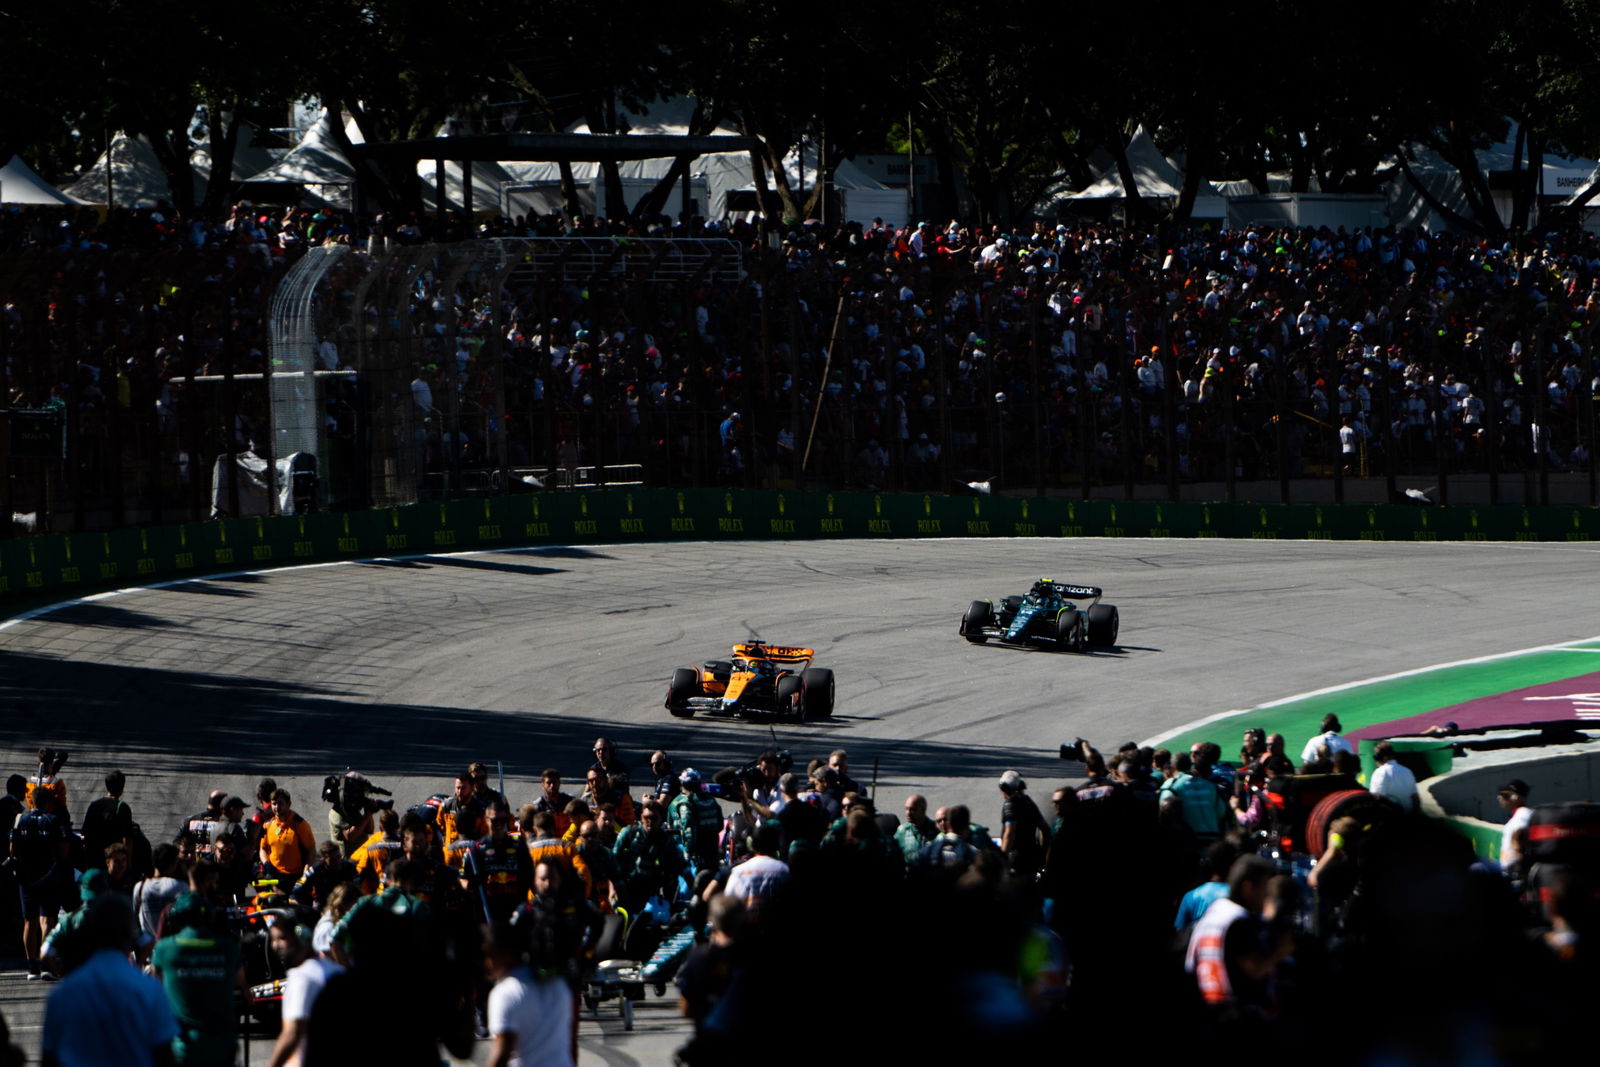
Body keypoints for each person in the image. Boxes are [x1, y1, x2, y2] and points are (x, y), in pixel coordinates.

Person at [40, 892, 178, 1067]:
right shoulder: (150, 990)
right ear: (129, 935)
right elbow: (164, 1055)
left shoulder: (62, 995)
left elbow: (50, 1059)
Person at [149, 893, 245, 1067]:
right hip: (221, 1044)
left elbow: (155, 991)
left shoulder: (164, 949)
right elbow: (244, 989)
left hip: (182, 1046)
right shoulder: (228, 948)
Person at [484, 918, 576, 1067]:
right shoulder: (558, 984)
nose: (485, 963)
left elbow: (501, 1055)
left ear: (507, 953)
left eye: (489, 954)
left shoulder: (504, 993)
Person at [10, 778, 72, 979]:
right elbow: (64, 851)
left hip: (26, 878)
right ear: (47, 803)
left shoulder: (21, 819)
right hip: (49, 876)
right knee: (48, 920)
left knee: (30, 921)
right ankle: (46, 964)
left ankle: (32, 967)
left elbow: (12, 849)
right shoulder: (53, 821)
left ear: (31, 801)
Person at [267, 917, 341, 1067]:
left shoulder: (303, 977)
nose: (275, 946)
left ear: (302, 937)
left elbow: (292, 1033)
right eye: (273, 939)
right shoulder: (334, 969)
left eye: (282, 938)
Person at [463, 802, 534, 924]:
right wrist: (469, 885)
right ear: (486, 820)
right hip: (488, 914)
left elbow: (530, 877)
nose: (499, 825)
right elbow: (465, 879)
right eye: (495, 821)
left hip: (516, 912)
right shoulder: (476, 848)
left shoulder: (518, 846)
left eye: (503, 820)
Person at [998, 771, 1049, 881]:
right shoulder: (1028, 801)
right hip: (1031, 857)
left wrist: (1003, 858)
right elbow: (1045, 829)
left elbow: (1010, 832)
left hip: (1015, 859)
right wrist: (1042, 854)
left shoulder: (1010, 804)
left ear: (1004, 788)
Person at [135, 843, 189, 946]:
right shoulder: (180, 887)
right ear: (173, 864)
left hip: (147, 949)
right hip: (171, 948)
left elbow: (135, 916)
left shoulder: (140, 887)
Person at [259, 789, 316, 886]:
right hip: (275, 876)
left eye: (281, 804)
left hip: (295, 877)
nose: (277, 807)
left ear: (289, 804)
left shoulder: (300, 825)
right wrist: (267, 864)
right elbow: (262, 849)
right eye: (274, 804)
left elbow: (311, 851)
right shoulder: (268, 825)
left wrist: (305, 873)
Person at [80, 769, 134, 863]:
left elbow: (85, 833)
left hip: (95, 857)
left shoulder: (94, 805)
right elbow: (128, 839)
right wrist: (127, 862)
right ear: (122, 788)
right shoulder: (122, 808)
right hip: (113, 859)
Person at [1368, 741, 1419, 812]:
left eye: (1376, 756)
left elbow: (1377, 798)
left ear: (1384, 757)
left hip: (1391, 818)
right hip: (1409, 817)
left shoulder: (1379, 772)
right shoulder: (1407, 771)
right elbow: (1415, 798)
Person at [1497, 779, 1533, 877]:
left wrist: (1515, 867)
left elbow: (1519, 837)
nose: (1500, 798)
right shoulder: (1519, 815)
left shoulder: (1523, 814)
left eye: (1505, 796)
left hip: (1513, 872)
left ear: (1517, 797)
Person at [893, 794, 938, 864]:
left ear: (923, 810)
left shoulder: (936, 830)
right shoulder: (902, 831)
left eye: (912, 809)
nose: (908, 813)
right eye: (906, 809)